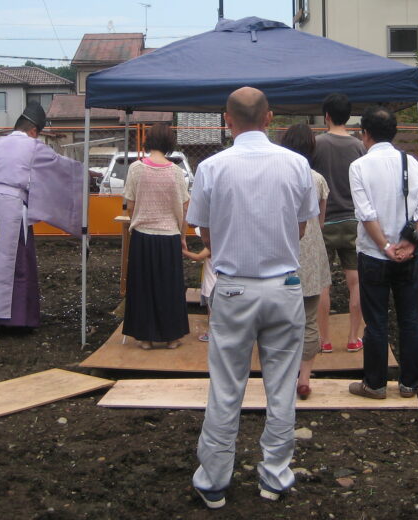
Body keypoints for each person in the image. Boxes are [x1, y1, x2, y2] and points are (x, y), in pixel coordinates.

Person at [188, 87, 317, 510]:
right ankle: (275, 477)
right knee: (281, 387)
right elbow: (300, 230)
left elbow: (205, 235)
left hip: (232, 287)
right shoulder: (297, 165)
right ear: (270, 118)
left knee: (226, 387)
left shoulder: (211, 167)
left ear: (227, 120)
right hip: (284, 287)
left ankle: (213, 481)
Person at [0, 102, 84, 331]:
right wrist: (82, 171)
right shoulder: (33, 146)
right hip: (13, 206)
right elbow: (58, 168)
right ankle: (16, 321)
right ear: (34, 130)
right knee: (17, 264)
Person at [347, 106, 418, 400]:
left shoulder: (359, 167)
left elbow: (365, 214)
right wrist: (410, 244)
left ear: (365, 134)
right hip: (409, 257)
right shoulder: (412, 163)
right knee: (410, 319)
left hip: (373, 255)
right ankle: (409, 384)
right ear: (393, 133)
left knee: (377, 322)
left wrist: (385, 245)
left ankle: (375, 384)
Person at [122, 122, 190, 349]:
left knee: (143, 286)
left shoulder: (136, 168)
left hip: (142, 236)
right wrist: (182, 235)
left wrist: (138, 217)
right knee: (169, 287)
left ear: (148, 141)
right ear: (170, 143)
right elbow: (184, 207)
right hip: (169, 235)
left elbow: (129, 204)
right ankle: (172, 338)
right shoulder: (176, 172)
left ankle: (145, 338)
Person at [280, 124, 331, 401]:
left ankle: (284, 377)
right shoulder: (318, 179)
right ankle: (304, 378)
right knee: (308, 320)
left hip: (282, 252)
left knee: (280, 320)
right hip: (311, 253)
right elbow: (319, 222)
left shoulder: (277, 176)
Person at [313, 93, 366, 352]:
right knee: (355, 280)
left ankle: (324, 340)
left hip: (324, 221)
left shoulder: (316, 144)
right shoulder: (359, 146)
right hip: (353, 220)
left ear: (327, 116)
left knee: (323, 282)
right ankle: (354, 337)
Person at [182, 228, 213, 342]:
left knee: (211, 311)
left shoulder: (211, 247)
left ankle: (211, 333)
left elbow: (198, 257)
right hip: (215, 283)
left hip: (211, 285)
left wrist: (184, 251)